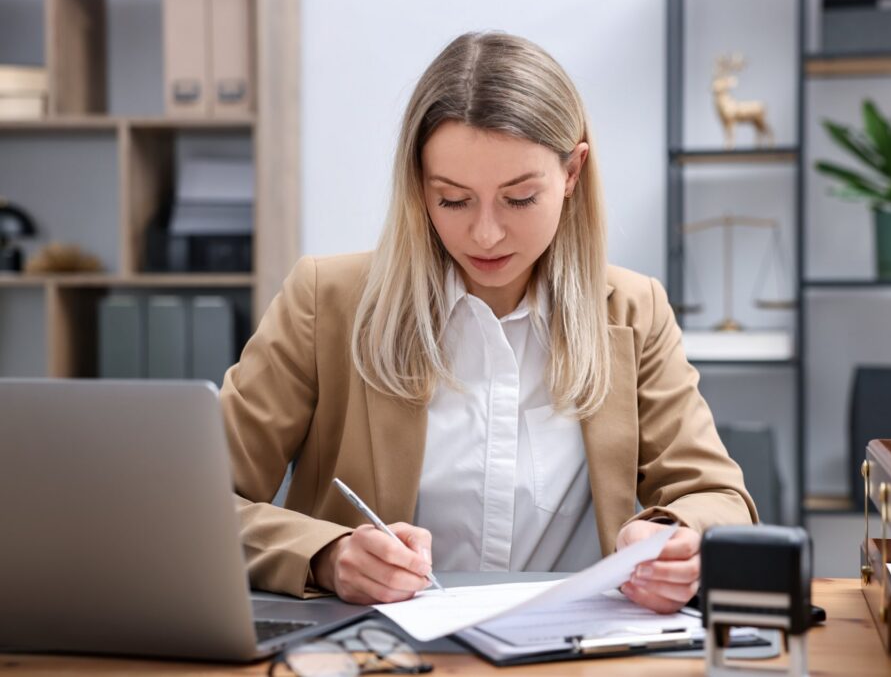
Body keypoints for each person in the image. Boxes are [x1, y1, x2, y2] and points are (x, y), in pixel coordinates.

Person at [222, 31, 756, 615]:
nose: (485, 234)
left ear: (573, 173)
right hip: (381, 655)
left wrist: (676, 539)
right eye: (452, 199)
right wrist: (325, 555)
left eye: (520, 198)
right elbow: (196, 500)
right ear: (417, 184)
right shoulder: (326, 301)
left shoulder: (634, 310)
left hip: (580, 653)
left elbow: (717, 496)